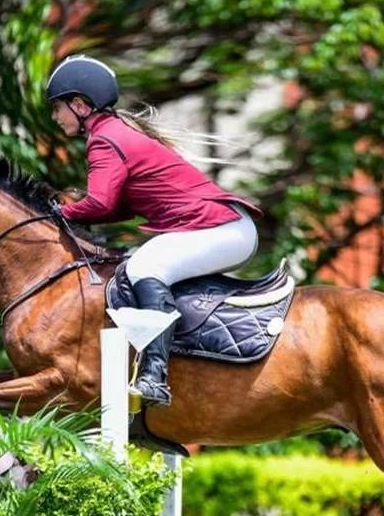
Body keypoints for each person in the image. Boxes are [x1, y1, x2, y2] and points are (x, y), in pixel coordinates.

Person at [46, 54, 260, 407]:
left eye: (59, 108)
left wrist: (58, 213)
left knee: (144, 267)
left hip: (224, 229)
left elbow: (99, 204)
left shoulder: (104, 140)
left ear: (81, 105)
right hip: (222, 227)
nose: (56, 117)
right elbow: (114, 207)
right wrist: (70, 213)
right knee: (138, 262)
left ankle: (155, 376)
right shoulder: (115, 133)